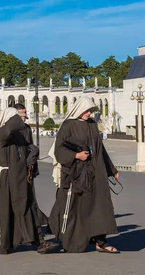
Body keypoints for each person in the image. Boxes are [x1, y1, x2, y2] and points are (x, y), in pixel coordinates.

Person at [48, 97, 120, 254]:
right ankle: (74, 241)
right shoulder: (68, 125)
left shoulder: (93, 125)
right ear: (79, 109)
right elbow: (59, 150)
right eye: (87, 110)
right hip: (77, 174)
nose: (89, 113)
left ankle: (101, 242)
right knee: (77, 207)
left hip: (96, 172)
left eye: (91, 110)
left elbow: (100, 148)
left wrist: (111, 170)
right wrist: (76, 156)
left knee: (99, 206)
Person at [0, 107, 57, 254]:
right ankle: (4, 243)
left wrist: (33, 153)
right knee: (5, 212)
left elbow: (29, 148)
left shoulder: (17, 135)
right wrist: (18, 117)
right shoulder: (1, 133)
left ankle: (39, 242)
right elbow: (10, 128)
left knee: (27, 208)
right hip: (4, 180)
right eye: (16, 117)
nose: (21, 119)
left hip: (20, 179)